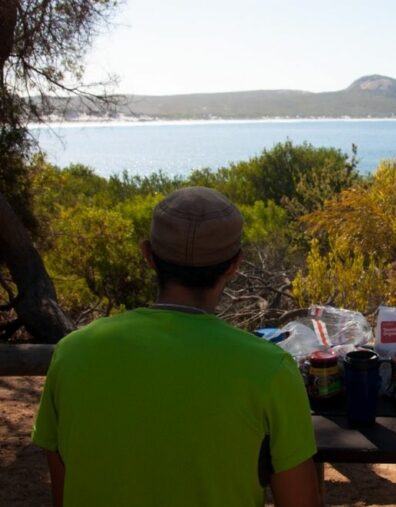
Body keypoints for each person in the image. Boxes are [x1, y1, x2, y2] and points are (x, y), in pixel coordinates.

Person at [32, 187, 321, 507]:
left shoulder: (72, 353)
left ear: (148, 255)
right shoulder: (271, 369)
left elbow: (63, 492)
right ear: (234, 264)